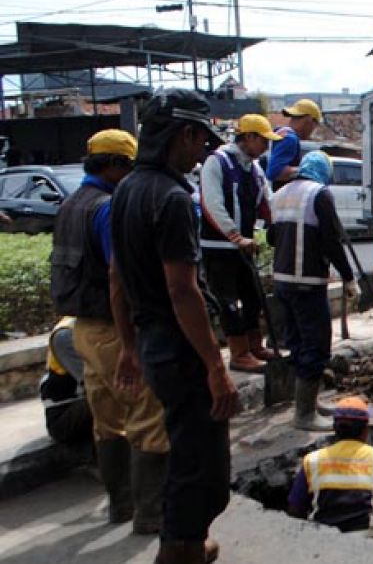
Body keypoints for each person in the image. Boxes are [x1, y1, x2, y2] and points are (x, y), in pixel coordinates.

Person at [110, 89, 240, 563]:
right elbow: (182, 291)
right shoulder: (171, 199)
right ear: (184, 134)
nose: (203, 152)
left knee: (186, 453)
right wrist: (215, 367)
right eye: (201, 142)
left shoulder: (126, 190)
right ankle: (178, 549)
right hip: (182, 349)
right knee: (202, 469)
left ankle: (187, 544)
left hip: (153, 344)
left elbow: (117, 277)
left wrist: (129, 345)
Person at [48, 128, 170, 535]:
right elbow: (120, 276)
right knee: (148, 416)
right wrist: (131, 346)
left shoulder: (70, 205)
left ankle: (121, 507)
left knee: (108, 421)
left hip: (83, 329)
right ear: (116, 165)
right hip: (115, 330)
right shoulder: (106, 208)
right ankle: (150, 514)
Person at [270, 151, 358, 431]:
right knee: (317, 344)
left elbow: (272, 237)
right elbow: (331, 240)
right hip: (307, 282)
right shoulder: (319, 195)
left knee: (297, 343)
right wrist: (348, 277)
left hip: (282, 281)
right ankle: (304, 415)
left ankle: (309, 403)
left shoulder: (280, 193)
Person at [286, 396, 373, 550]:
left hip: (323, 547)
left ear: (335, 429)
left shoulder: (311, 461)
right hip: (369, 547)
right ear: (365, 430)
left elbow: (295, 512)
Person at [200, 114, 281, 373]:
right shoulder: (217, 162)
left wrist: (275, 224)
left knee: (253, 296)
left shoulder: (254, 168)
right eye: (263, 140)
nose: (267, 146)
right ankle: (239, 353)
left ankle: (254, 345)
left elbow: (266, 200)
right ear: (249, 137)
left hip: (244, 247)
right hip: (219, 247)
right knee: (227, 302)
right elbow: (211, 204)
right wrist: (235, 235)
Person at [38, 317, 93, 449]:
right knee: (107, 397)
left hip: (83, 402)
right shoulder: (65, 335)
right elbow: (94, 383)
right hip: (64, 416)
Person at [265, 98, 322, 191]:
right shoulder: (290, 139)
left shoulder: (280, 132)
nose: (313, 130)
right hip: (277, 198)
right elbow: (275, 172)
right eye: (315, 125)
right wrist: (306, 169)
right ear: (309, 120)